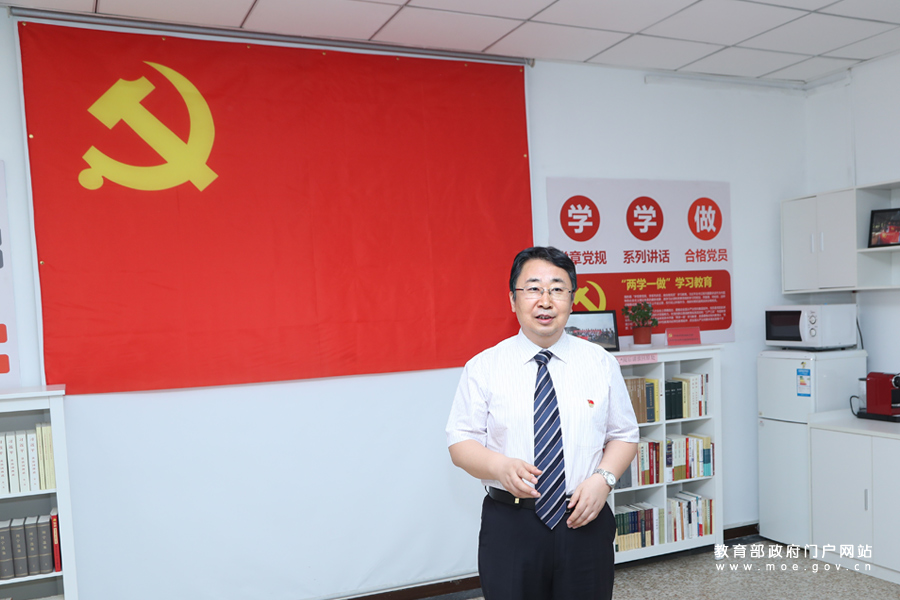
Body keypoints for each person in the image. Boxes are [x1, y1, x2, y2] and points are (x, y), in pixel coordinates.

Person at [445, 246, 639, 600]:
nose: (545, 301)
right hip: (511, 524)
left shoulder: (599, 362)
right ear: (513, 299)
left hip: (584, 517)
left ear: (572, 299)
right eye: (533, 288)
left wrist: (604, 480)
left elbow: (624, 435)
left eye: (557, 289)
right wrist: (499, 465)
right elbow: (461, 442)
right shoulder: (484, 367)